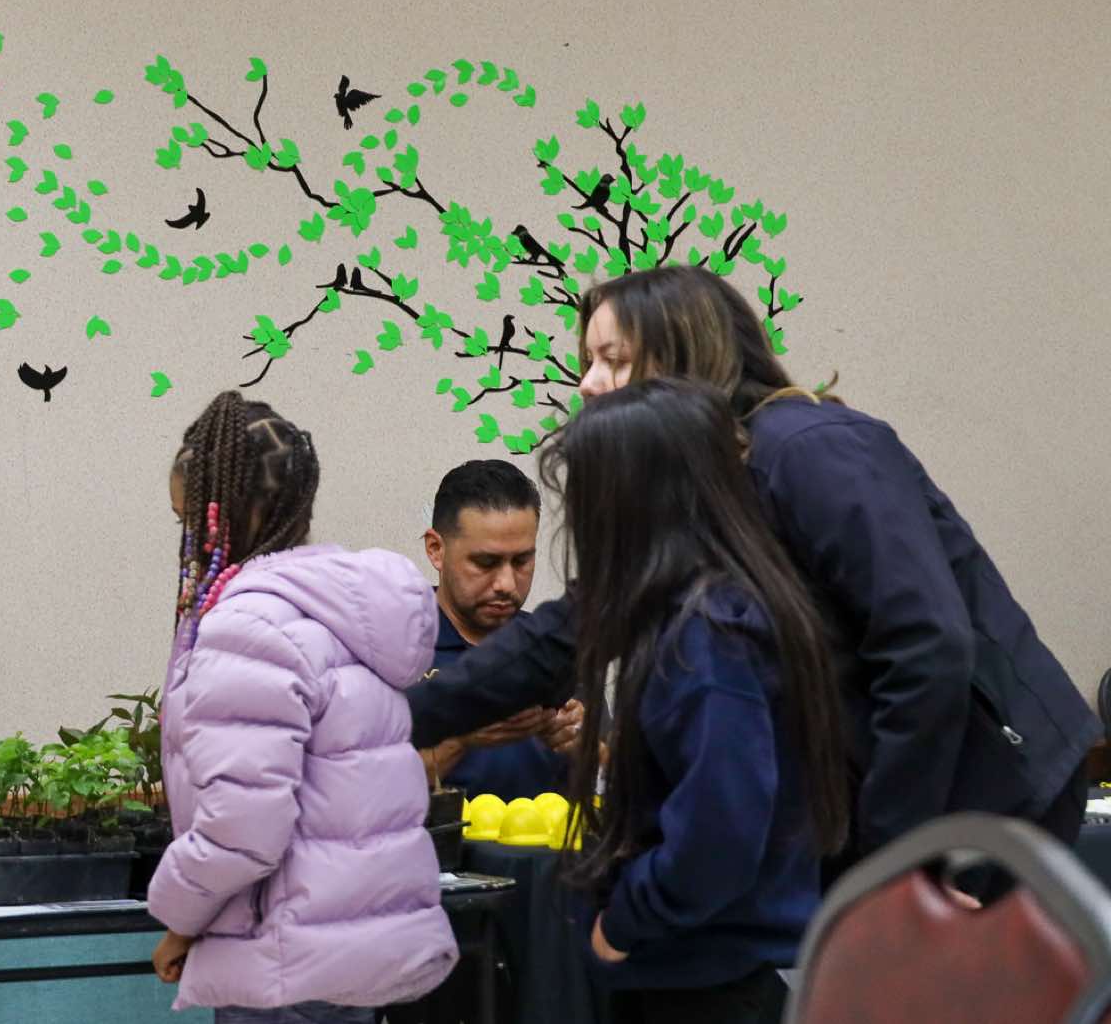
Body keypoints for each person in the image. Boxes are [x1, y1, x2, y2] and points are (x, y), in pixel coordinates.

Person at [407, 265, 1094, 864]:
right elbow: (566, 630)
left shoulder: (810, 448)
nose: (587, 384)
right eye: (587, 360)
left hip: (985, 796)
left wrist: (891, 862)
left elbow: (926, 647)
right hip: (866, 813)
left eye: (611, 359)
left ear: (682, 358)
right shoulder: (690, 493)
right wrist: (400, 717)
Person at [547, 378, 849, 1024]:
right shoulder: (713, 614)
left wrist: (626, 920)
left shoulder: (708, 636)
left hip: (709, 982)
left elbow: (718, 837)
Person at [148, 391, 456, 1023]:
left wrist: (180, 920)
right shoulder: (338, 613)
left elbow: (244, 824)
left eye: (191, 521)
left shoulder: (250, 627)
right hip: (348, 950)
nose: (188, 543)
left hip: (283, 954)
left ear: (234, 515)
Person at [410, 460, 579, 800]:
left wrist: (586, 745)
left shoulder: (556, 644)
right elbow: (355, 789)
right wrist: (460, 740)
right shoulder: (389, 646)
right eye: (486, 563)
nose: (506, 584)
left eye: (521, 561)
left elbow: (619, 779)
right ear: (436, 550)